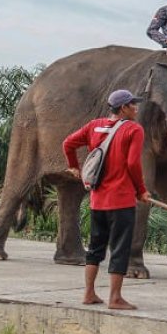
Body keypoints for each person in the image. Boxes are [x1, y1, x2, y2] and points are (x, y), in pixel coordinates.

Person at [63, 89, 151, 310]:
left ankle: (89, 293)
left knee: (95, 248)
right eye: (133, 104)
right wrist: (141, 190)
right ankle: (115, 298)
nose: (136, 107)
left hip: (97, 200)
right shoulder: (134, 130)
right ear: (123, 108)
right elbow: (132, 164)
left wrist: (73, 166)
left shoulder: (94, 125)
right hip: (121, 201)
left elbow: (68, 143)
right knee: (120, 249)